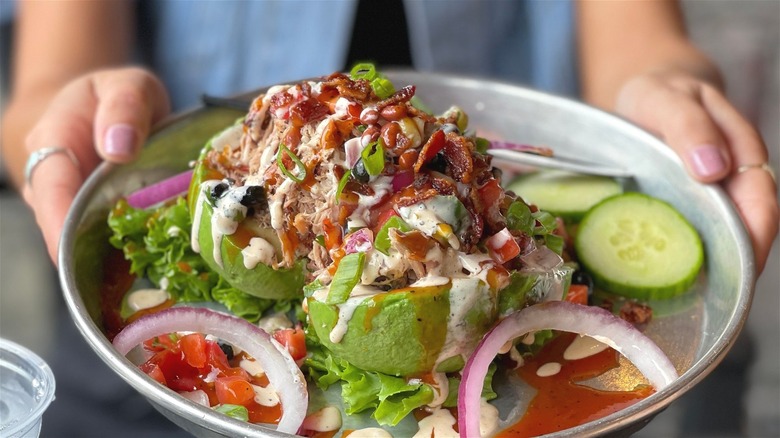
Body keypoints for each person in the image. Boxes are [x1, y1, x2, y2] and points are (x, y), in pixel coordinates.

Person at [0, 0, 777, 436]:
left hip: (508, 238)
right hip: (143, 393)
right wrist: (62, 125)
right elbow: (47, 82)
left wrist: (667, 88)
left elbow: (640, 40)